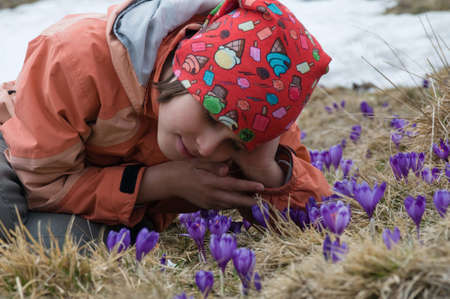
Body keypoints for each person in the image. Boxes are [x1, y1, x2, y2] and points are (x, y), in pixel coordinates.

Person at [0, 0, 332, 247]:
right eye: (210, 115)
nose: (207, 148)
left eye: (234, 144)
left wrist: (263, 168)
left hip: (110, 208)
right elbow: (42, 186)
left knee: (72, 244)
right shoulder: (73, 56)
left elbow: (318, 219)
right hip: (16, 155)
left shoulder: (264, 109)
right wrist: (159, 183)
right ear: (184, 67)